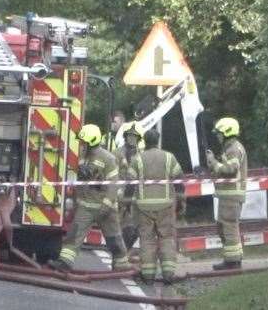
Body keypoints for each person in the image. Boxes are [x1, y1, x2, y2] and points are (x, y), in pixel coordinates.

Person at [48, 124, 132, 272]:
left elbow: (113, 184)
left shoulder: (108, 158)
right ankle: (65, 262)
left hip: (105, 207)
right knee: (74, 234)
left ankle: (121, 264)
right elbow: (78, 181)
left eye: (84, 141)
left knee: (114, 237)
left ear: (92, 141)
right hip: (86, 205)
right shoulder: (82, 157)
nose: (82, 144)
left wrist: (106, 205)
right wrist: (75, 200)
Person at [127, 128, 185, 284]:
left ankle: (148, 276)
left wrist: (126, 203)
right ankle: (168, 274)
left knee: (147, 240)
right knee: (166, 238)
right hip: (166, 206)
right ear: (157, 141)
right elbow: (179, 179)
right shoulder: (169, 157)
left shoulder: (137, 159)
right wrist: (180, 200)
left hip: (143, 207)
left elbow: (130, 184)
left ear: (144, 141)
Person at [206, 117, 248, 270]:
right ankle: (233, 259)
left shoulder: (233, 149)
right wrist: (214, 164)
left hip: (231, 196)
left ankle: (232, 262)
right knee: (225, 227)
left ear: (227, 132)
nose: (218, 136)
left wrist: (214, 162)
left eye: (219, 133)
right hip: (228, 196)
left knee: (228, 227)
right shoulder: (230, 148)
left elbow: (230, 170)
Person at [114, 121, 145, 252]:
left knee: (134, 230)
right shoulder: (116, 154)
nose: (132, 138)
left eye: (135, 136)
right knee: (118, 229)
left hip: (135, 199)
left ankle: (124, 252)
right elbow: (111, 176)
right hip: (119, 198)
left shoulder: (142, 156)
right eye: (130, 136)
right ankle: (119, 258)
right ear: (125, 137)